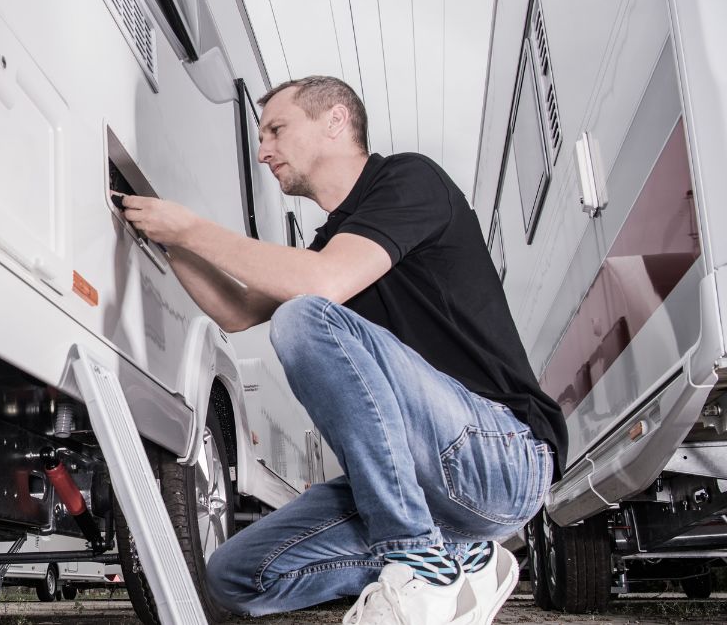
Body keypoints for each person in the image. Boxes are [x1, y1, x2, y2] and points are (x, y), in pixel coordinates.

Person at [117, 76, 566, 625]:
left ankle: (416, 561)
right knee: (235, 575)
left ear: (335, 120)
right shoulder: (333, 240)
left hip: (500, 458)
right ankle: (462, 558)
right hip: (431, 491)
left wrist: (195, 225)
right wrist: (175, 240)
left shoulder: (409, 180)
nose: (262, 152)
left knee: (303, 315)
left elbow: (321, 283)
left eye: (276, 130)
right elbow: (235, 311)